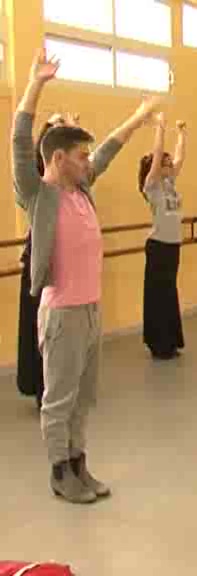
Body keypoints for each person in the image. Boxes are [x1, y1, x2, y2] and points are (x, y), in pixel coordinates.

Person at [12, 48, 162, 504]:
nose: (87, 161)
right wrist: (36, 84)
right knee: (58, 399)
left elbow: (110, 150)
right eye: (79, 156)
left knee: (82, 398)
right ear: (57, 159)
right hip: (62, 314)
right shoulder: (39, 194)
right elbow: (19, 141)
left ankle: (79, 463)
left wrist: (138, 117)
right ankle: (60, 472)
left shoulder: (81, 188)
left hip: (92, 311)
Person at [17, 113, 74, 409]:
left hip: (64, 259)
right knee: (42, 330)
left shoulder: (71, 181)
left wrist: (70, 127)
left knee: (61, 331)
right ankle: (44, 389)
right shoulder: (37, 181)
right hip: (41, 258)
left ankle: (61, 386)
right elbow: (28, 151)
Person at [138, 114, 187, 360]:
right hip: (158, 246)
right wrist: (160, 127)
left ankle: (170, 340)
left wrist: (182, 133)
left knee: (169, 292)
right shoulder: (152, 185)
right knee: (159, 294)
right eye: (164, 162)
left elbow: (180, 158)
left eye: (168, 162)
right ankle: (158, 343)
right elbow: (158, 156)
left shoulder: (170, 183)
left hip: (172, 246)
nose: (169, 163)